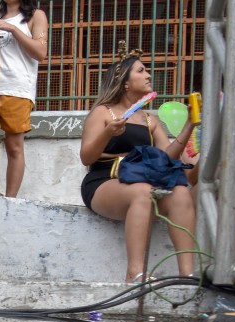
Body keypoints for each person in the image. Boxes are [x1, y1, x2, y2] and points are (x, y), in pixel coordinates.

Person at [79, 51, 199, 282]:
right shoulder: (104, 112)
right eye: (141, 70)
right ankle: (135, 273)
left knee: (181, 194)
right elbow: (86, 157)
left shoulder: (149, 120)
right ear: (124, 82)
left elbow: (168, 158)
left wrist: (189, 126)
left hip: (144, 178)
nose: (148, 75)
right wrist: (107, 132)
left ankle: (188, 275)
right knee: (143, 192)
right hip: (105, 181)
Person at [0, 0, 47, 198]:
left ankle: (10, 199)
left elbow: (41, 52)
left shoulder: (35, 15)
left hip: (17, 88)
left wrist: (14, 30)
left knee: (14, 147)